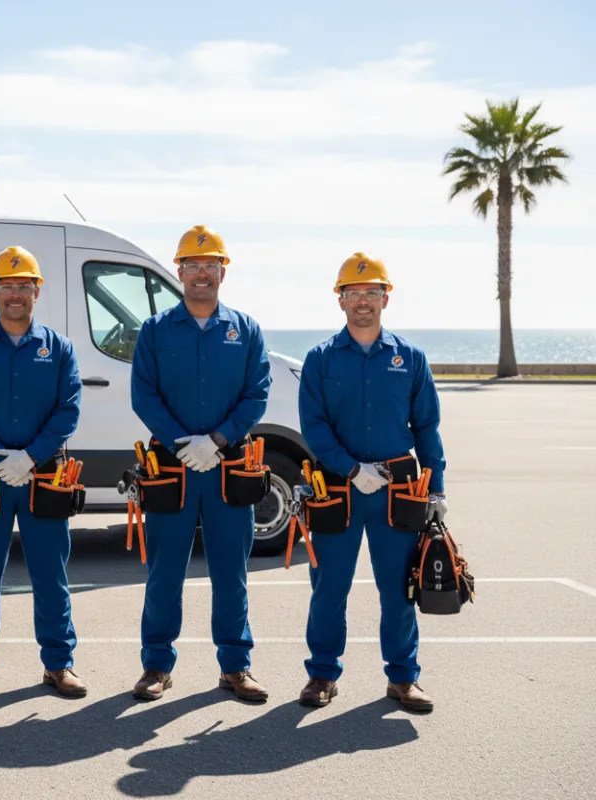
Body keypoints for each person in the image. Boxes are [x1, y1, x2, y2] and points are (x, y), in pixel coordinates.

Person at [296, 253, 446, 713]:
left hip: (397, 493)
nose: (363, 301)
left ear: (386, 298)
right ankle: (322, 675)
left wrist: (436, 486)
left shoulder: (411, 358)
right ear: (340, 300)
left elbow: (426, 426)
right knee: (328, 588)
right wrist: (351, 469)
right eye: (354, 293)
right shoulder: (320, 359)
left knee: (399, 588)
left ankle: (403, 678)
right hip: (336, 490)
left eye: (372, 293)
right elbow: (314, 427)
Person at [129, 225, 272, 703]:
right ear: (180, 271)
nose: (202, 273)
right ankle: (156, 666)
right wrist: (180, 442)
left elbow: (258, 394)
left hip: (230, 468)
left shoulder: (245, 330)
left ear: (222, 271)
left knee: (231, 573)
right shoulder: (153, 330)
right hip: (171, 468)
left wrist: (218, 439)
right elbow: (143, 395)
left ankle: (236, 666)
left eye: (210, 265)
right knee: (165, 572)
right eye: (193, 265)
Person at [0, 245, 85, 698]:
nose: (15, 295)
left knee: (50, 574)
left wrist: (33, 456)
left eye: (23, 286)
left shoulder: (59, 349)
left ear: (36, 290)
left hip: (44, 477)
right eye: (6, 286)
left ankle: (59, 664)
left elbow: (69, 410)